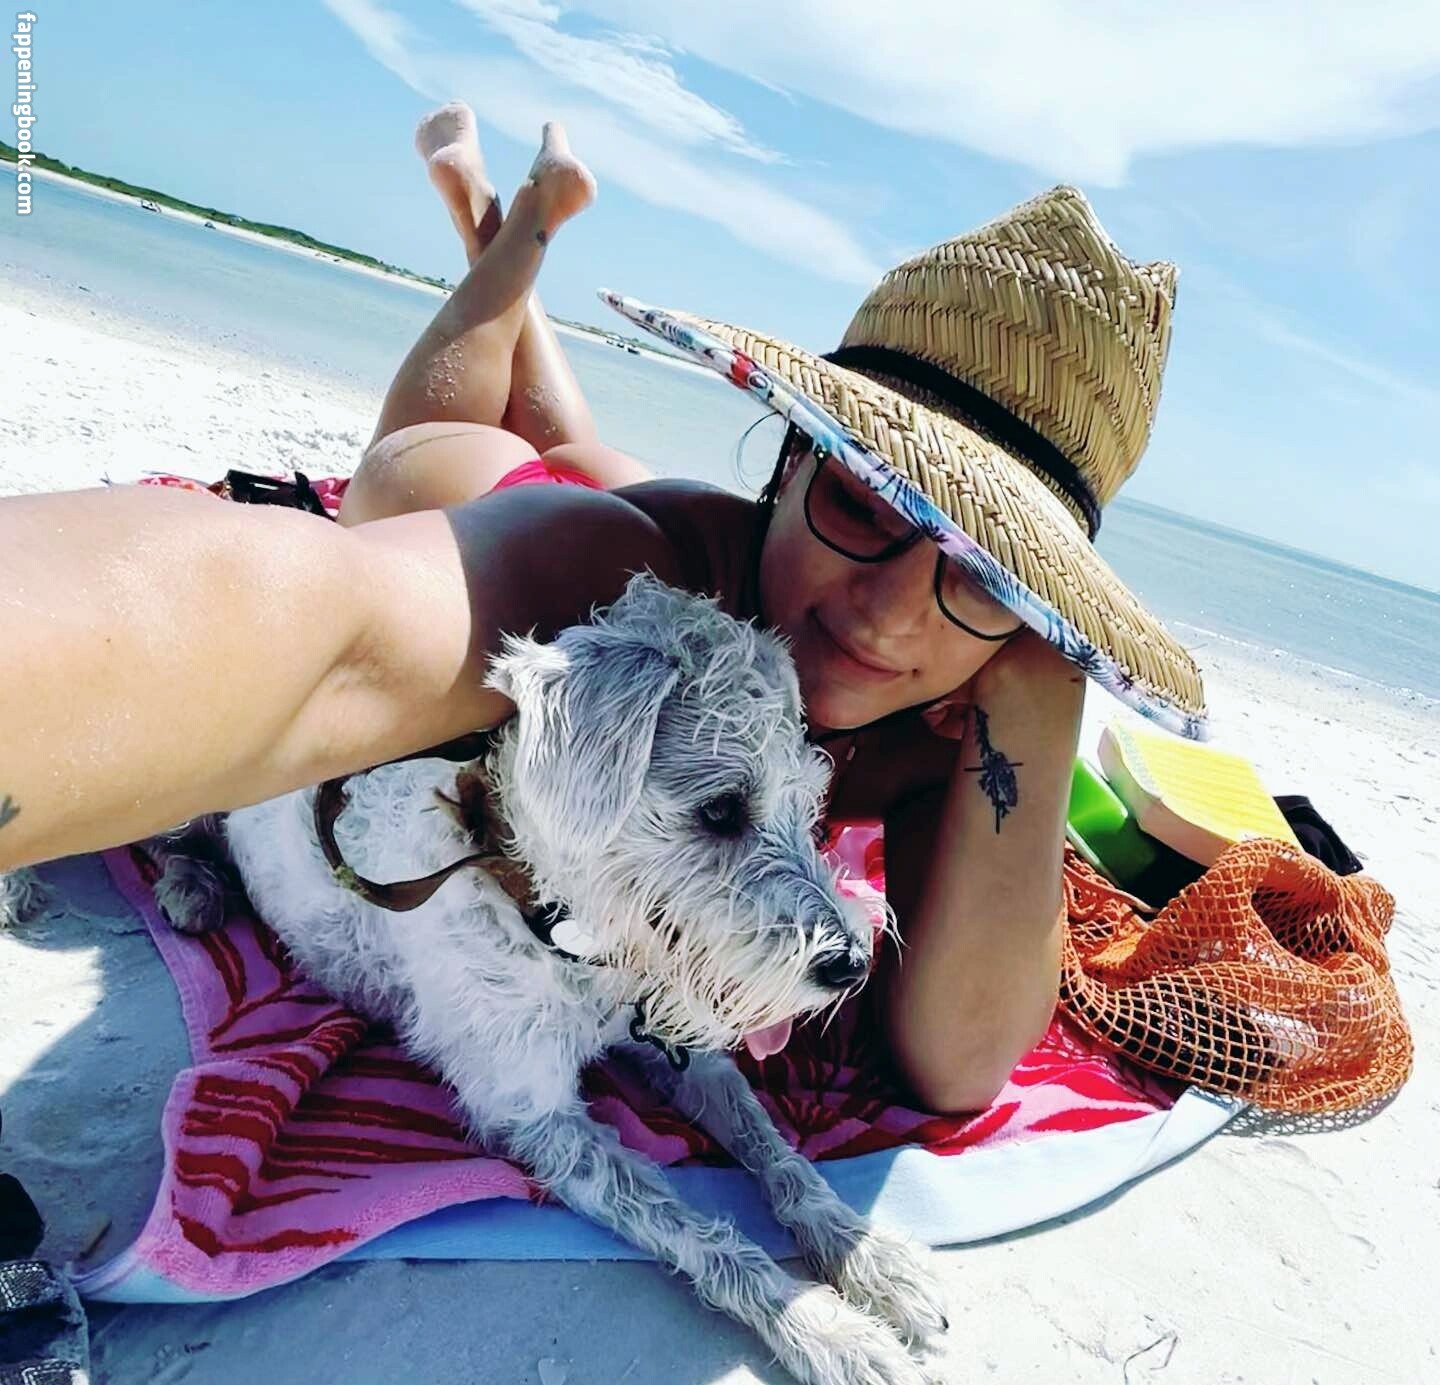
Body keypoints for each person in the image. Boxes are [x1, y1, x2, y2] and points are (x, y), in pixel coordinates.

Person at [0, 104, 1206, 1114]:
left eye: (988, 570)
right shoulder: (604, 577)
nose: (894, 615)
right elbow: (327, 632)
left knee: (587, 445)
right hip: (462, 481)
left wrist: (1045, 692)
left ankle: (507, 211)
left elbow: (959, 1060)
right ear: (792, 458)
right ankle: (512, 232)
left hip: (675, 513)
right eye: (864, 497)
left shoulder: (959, 700)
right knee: (481, 418)